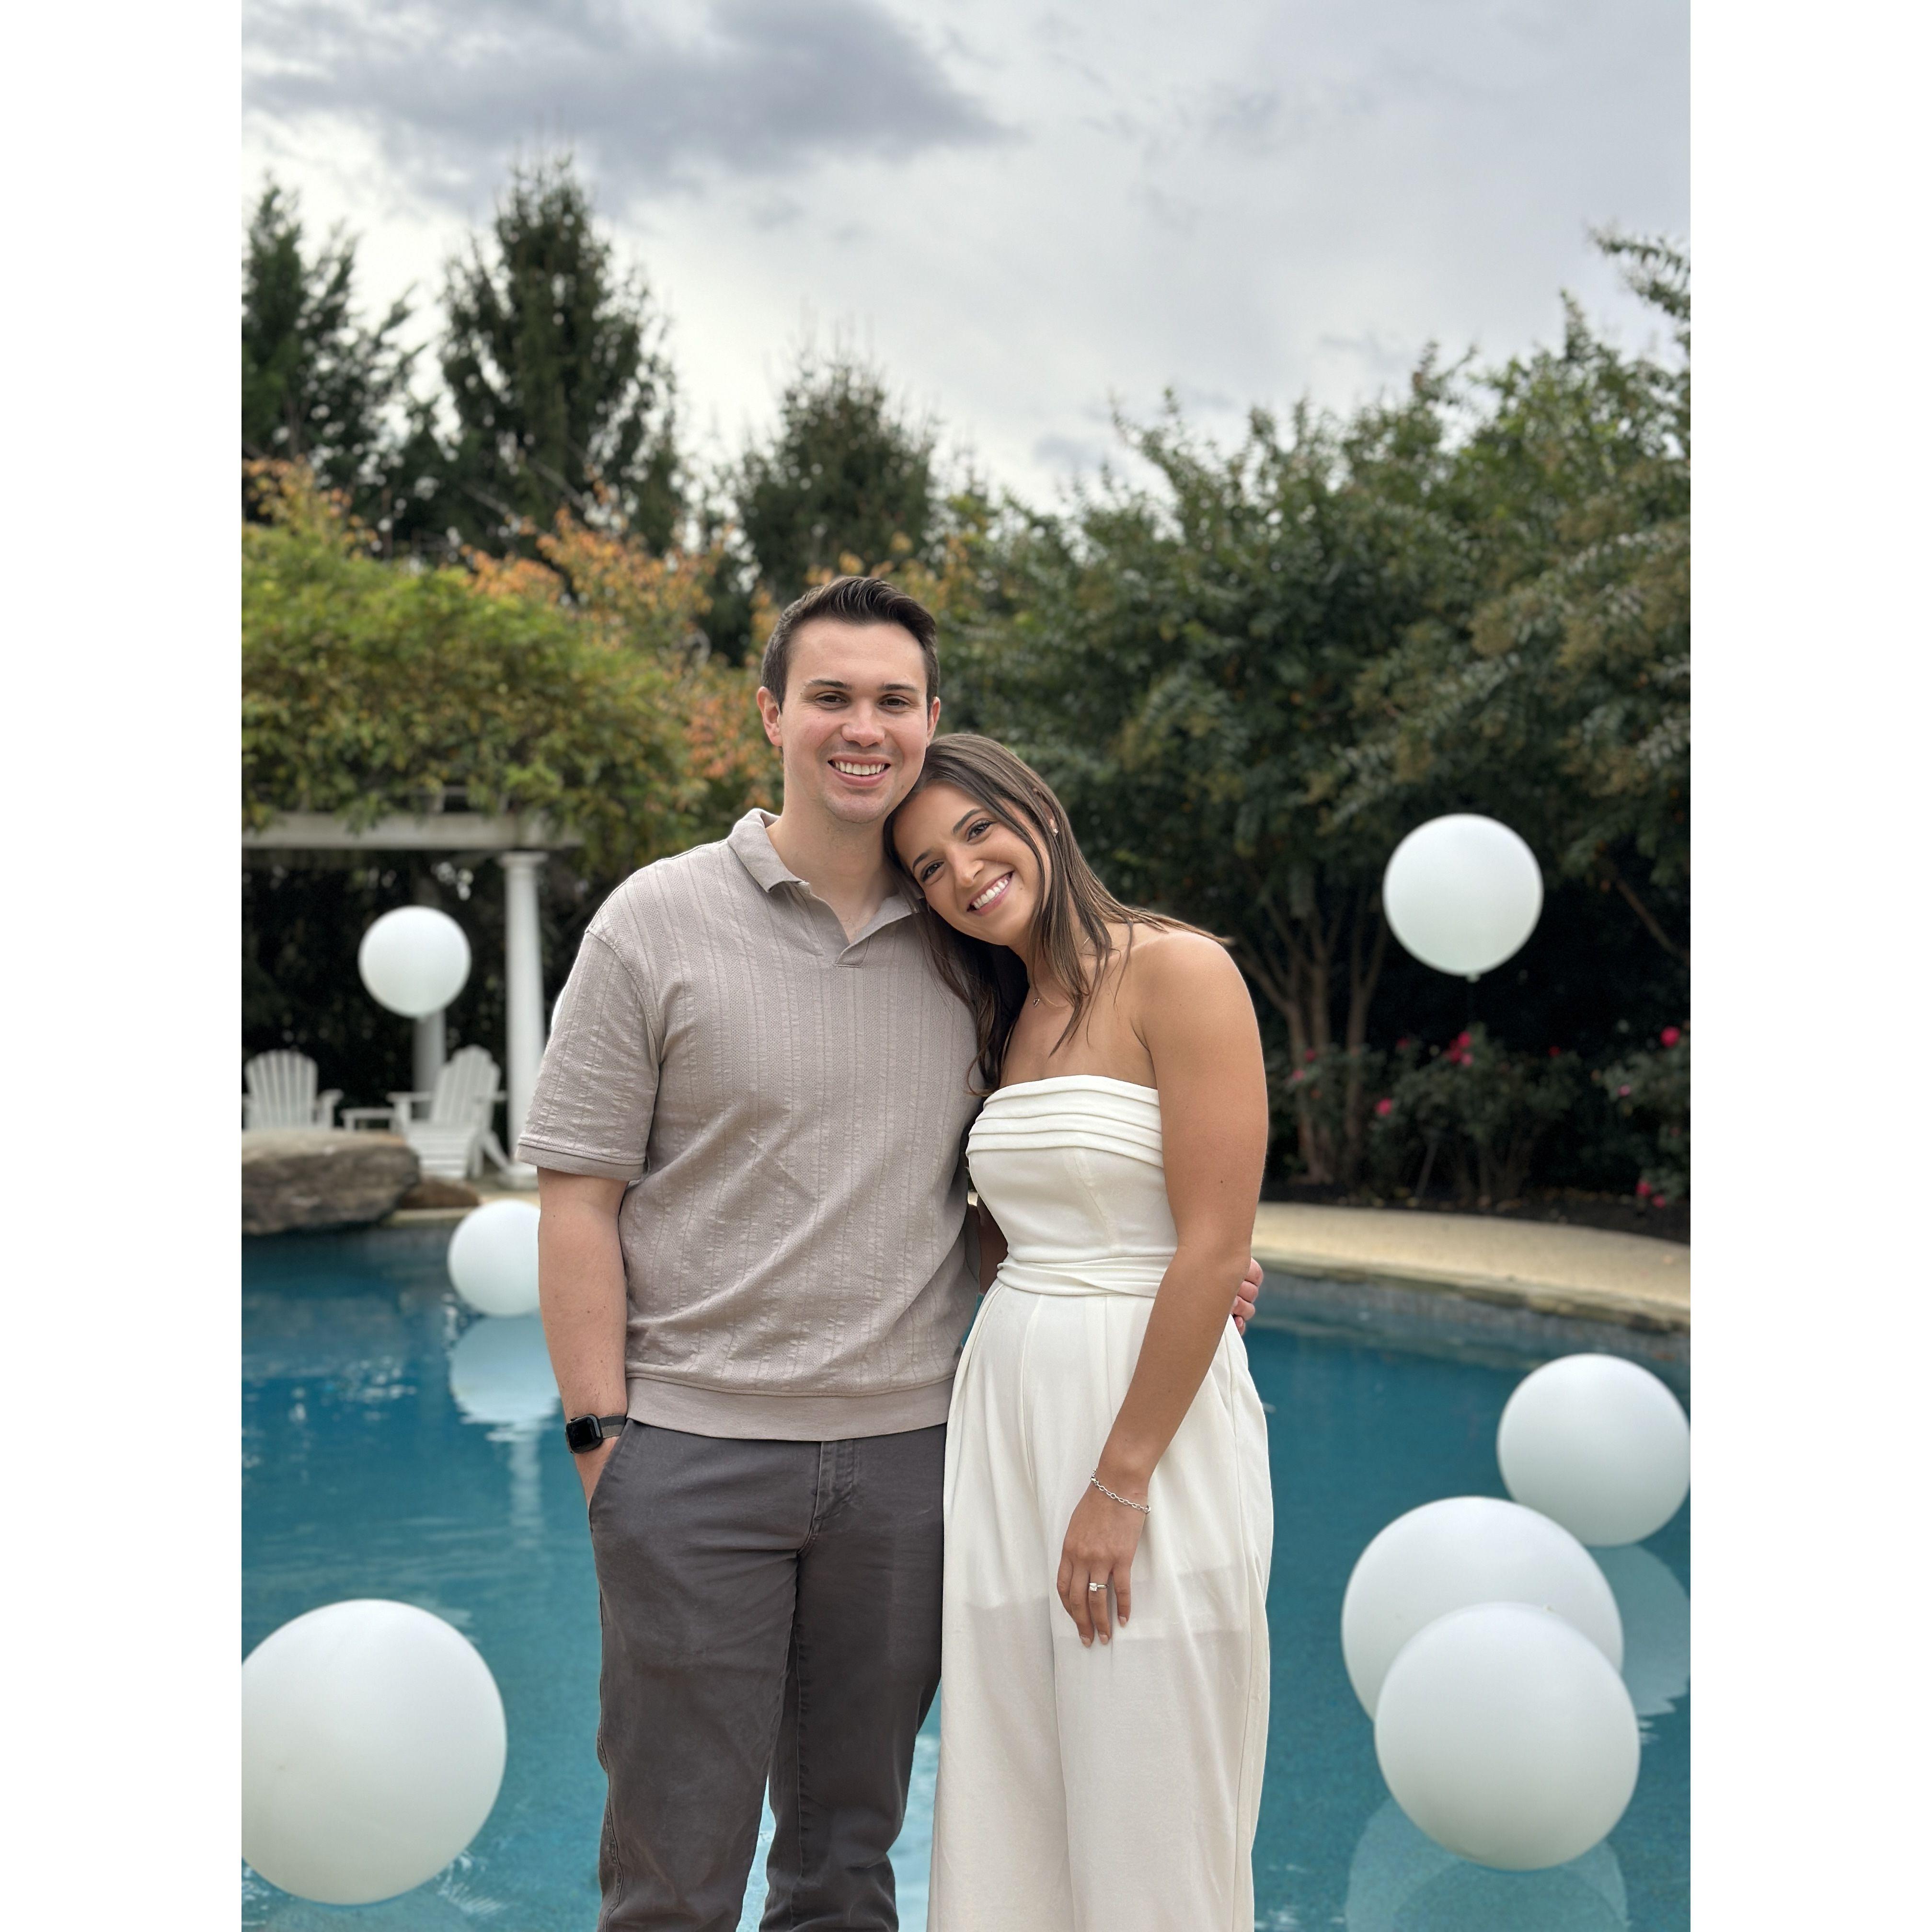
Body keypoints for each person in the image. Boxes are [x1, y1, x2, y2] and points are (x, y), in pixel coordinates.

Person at [518, 577, 1260, 1932]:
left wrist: (1159, 1262)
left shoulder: (971, 954)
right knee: (673, 1876)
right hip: (696, 1456)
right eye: (831, 697)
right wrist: (601, 1444)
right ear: (771, 715)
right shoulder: (654, 921)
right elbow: (577, 1195)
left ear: (932, 719)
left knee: (847, 1863)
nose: (863, 726)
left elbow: (1026, 1177)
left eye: (893, 700)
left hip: (917, 1466)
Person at [887, 734, 1274, 1932]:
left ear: (1041, 815)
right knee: (1015, 1780)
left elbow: (1211, 1246)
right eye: (929, 867)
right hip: (1009, 1415)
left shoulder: (1180, 971)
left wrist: (1122, 1481)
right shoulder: (999, 1016)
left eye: (977, 833)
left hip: (1144, 1426)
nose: (963, 873)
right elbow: (1009, 1237)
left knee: (1150, 1770)